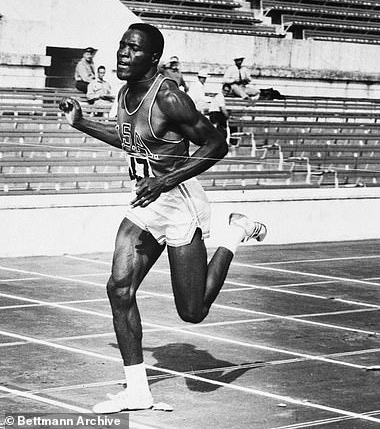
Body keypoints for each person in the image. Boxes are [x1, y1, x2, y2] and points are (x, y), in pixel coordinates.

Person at [58, 23, 267, 414]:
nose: (122, 54)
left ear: (152, 59)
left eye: (133, 49)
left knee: (193, 312)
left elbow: (216, 144)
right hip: (147, 200)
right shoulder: (123, 93)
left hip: (179, 202)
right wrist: (82, 122)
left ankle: (234, 233)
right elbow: (132, 140)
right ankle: (138, 390)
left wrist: (166, 179)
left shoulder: (169, 96)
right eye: (121, 46)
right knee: (119, 289)